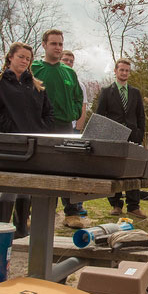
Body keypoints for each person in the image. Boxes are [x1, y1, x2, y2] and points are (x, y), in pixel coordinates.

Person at [0, 42, 55, 238]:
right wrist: (8, 126)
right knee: (9, 185)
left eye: (28, 58)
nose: (24, 61)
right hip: (7, 142)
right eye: (21, 57)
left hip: (32, 143)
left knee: (26, 187)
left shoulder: (37, 86)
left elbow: (49, 113)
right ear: (11, 57)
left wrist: (41, 130)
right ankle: (2, 229)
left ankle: (22, 229)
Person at [30, 30, 84, 223]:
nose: (58, 48)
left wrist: (75, 112)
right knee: (39, 167)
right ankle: (39, 211)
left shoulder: (68, 72)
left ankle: (71, 212)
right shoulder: (34, 68)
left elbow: (79, 97)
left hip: (64, 126)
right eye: (54, 44)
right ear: (44, 45)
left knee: (67, 167)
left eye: (60, 44)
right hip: (40, 125)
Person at [95, 58, 148, 219]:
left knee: (133, 171)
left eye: (127, 70)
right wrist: (103, 137)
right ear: (116, 71)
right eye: (121, 70)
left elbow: (140, 115)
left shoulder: (135, 92)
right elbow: (99, 116)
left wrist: (140, 134)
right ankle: (116, 204)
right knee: (114, 170)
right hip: (113, 136)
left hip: (133, 136)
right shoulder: (106, 91)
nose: (124, 73)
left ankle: (134, 206)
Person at [61, 49, 88, 216]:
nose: (68, 63)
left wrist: (78, 129)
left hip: (73, 130)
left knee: (73, 169)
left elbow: (83, 107)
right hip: (55, 129)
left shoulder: (79, 83)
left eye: (71, 61)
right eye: (65, 60)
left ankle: (74, 207)